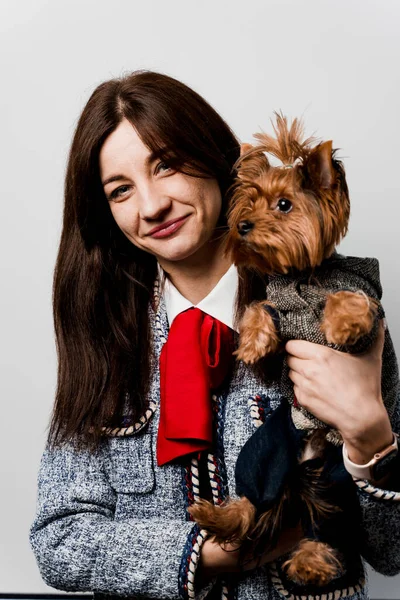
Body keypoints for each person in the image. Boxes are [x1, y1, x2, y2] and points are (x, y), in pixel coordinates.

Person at [29, 70, 400, 600]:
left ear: (215, 161)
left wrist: (371, 437)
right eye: (120, 190)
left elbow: (392, 552)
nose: (151, 205)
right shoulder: (106, 334)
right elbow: (58, 538)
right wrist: (206, 554)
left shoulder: (335, 314)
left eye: (167, 166)